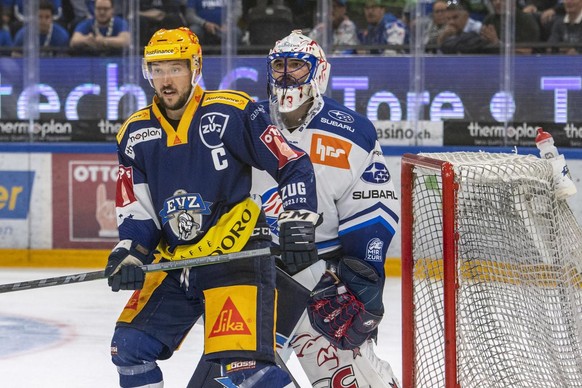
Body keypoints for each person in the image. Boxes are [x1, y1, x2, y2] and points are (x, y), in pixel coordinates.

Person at [105, 26, 319, 388]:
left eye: (175, 68)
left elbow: (292, 163)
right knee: (130, 347)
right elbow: (138, 211)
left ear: (195, 66)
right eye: (157, 70)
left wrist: (298, 219)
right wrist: (129, 253)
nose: (166, 80)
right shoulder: (134, 133)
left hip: (235, 257)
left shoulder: (234, 111)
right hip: (176, 262)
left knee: (244, 371)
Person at [189, 29, 401, 388]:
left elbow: (373, 208)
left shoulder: (351, 132)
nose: (286, 77)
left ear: (318, 72)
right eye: (280, 67)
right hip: (252, 275)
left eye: (297, 67)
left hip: (320, 281)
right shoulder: (246, 124)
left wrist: (364, 278)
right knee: (232, 381)